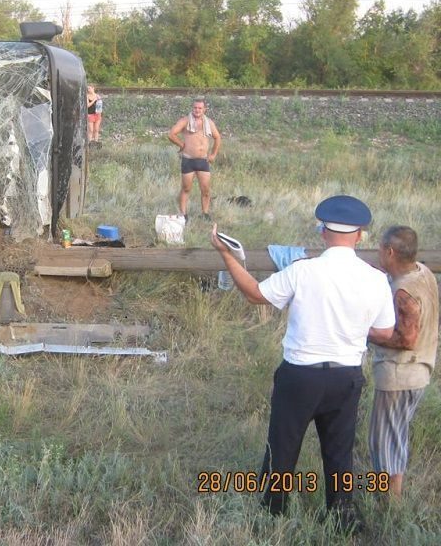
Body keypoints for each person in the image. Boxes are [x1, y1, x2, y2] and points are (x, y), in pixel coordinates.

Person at [210, 195, 395, 524]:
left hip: (300, 375)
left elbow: (256, 294)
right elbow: (384, 331)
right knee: (340, 451)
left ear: (322, 232)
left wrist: (227, 255)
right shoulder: (377, 279)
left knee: (283, 445)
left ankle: (274, 512)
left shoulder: (303, 271)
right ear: (360, 235)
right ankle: (342, 514)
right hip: (346, 376)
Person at [368, 226, 439, 498]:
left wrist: (367, 332)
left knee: (384, 442)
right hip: (420, 369)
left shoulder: (403, 291)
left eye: (379, 249)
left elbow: (406, 339)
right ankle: (393, 499)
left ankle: (388, 504)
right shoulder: (424, 272)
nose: (378, 254)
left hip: (400, 374)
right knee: (397, 437)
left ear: (390, 252)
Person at [168, 98, 221, 220]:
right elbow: (171, 134)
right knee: (186, 189)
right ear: (192, 108)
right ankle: (183, 215)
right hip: (188, 160)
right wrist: (182, 145)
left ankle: (205, 214)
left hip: (203, 161)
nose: (197, 110)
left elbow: (217, 138)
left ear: (204, 109)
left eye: (200, 108)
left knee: (206, 190)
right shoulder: (185, 121)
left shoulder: (209, 123)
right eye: (195, 107)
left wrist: (213, 154)